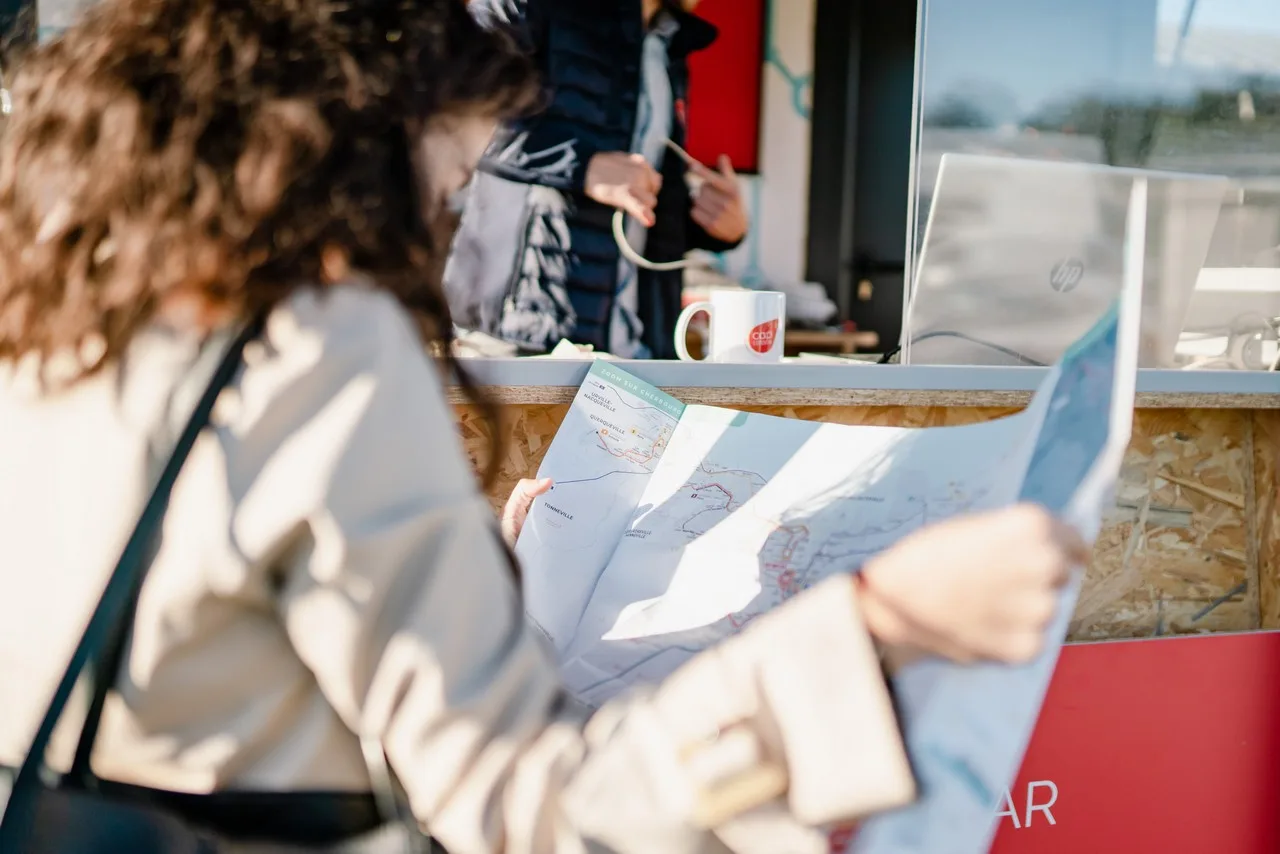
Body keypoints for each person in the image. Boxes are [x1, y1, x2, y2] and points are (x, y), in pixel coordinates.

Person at [0, 0, 1087, 851]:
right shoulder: (324, 350)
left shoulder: (54, 323)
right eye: (451, 179)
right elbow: (532, 813)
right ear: (359, 149)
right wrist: (874, 622)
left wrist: (460, 565)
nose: (441, 224)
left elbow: (206, 613)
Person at [444, 0, 748, 358]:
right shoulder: (527, 7)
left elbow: (638, 208)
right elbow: (449, 112)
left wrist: (714, 225)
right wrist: (583, 167)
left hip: (634, 354)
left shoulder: (668, 41)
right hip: (519, 340)